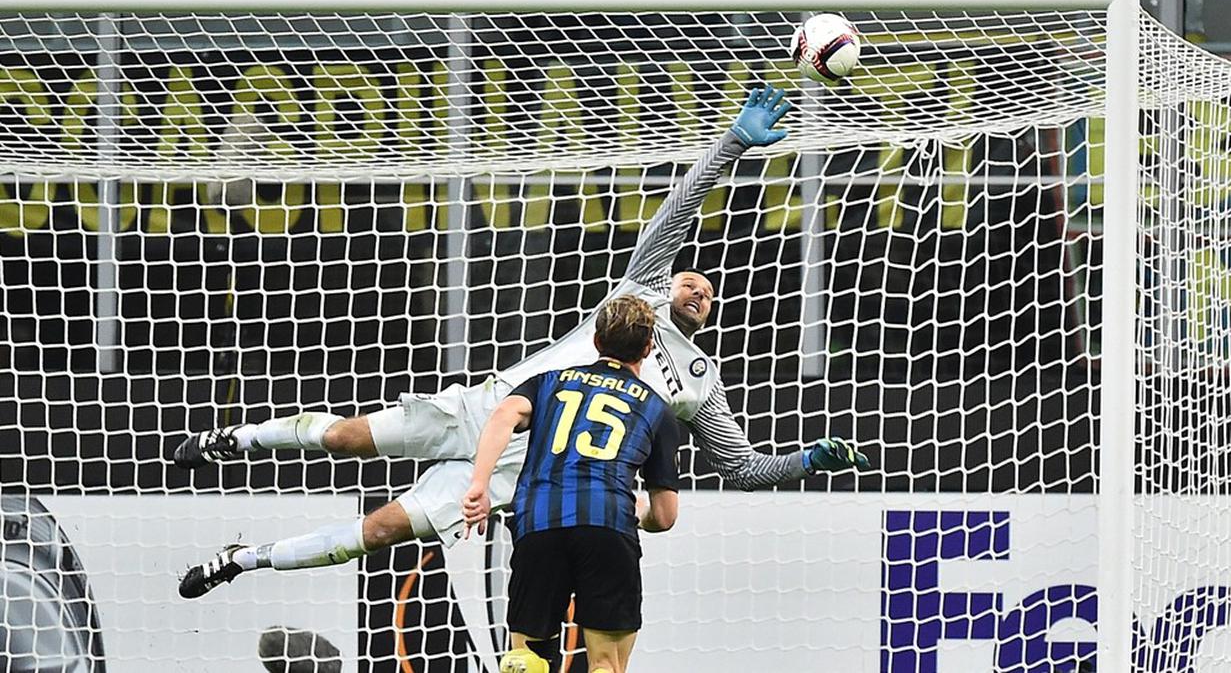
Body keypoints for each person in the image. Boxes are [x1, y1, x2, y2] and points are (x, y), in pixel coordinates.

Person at [176, 82, 869, 600]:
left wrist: (806, 458)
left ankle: (245, 558)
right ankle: (236, 440)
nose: (696, 289)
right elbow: (680, 205)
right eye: (690, 280)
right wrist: (732, 145)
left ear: (710, 318)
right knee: (345, 438)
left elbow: (740, 468)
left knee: (379, 532)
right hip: (487, 408)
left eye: (708, 293)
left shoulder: (699, 382)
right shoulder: (641, 288)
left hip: (522, 470)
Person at [461, 295, 679, 673]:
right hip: (608, 526)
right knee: (606, 664)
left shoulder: (549, 382)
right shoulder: (658, 410)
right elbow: (665, 515)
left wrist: (480, 483)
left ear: (596, 341)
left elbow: (503, 414)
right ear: (647, 348)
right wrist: (639, 512)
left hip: (539, 521)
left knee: (525, 660)